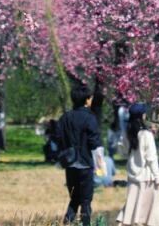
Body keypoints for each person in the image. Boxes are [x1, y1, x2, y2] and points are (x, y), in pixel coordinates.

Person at [57, 83, 104, 226]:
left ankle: (67, 222)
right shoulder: (90, 118)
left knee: (74, 198)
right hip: (85, 164)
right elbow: (94, 142)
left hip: (70, 164)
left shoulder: (65, 117)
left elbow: (59, 137)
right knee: (86, 200)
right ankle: (85, 223)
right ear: (87, 100)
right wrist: (100, 166)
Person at [117, 103, 159, 226]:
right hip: (147, 177)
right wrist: (157, 176)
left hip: (132, 175)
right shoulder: (146, 135)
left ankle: (127, 221)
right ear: (142, 116)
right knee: (150, 209)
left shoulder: (126, 134)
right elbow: (151, 158)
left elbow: (122, 152)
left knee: (133, 202)